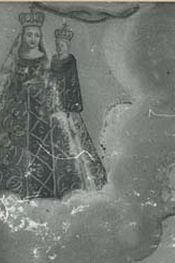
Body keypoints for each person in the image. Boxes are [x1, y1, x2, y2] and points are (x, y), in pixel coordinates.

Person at [0, 10, 55, 198]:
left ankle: (39, 188)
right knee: (7, 146)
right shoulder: (16, 57)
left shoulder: (44, 59)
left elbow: (49, 84)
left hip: (38, 113)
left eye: (36, 35)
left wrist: (36, 86)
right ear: (23, 36)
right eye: (29, 34)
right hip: (15, 110)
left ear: (40, 37)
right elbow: (7, 82)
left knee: (40, 150)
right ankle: (9, 186)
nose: (33, 39)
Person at [47, 22, 106, 197]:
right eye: (58, 45)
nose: (60, 47)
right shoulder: (53, 61)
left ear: (68, 46)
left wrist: (71, 105)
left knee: (75, 139)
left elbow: (73, 83)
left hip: (68, 104)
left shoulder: (70, 61)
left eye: (62, 45)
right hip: (55, 101)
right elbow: (50, 81)